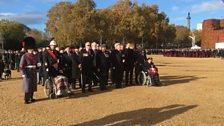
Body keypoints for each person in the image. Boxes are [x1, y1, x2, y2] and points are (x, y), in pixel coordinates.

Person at [19, 37, 37, 104]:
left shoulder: (34, 56)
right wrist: (23, 73)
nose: (32, 50)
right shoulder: (24, 56)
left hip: (33, 72)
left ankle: (31, 98)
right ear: (28, 49)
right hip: (27, 72)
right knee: (27, 86)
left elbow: (36, 63)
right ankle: (26, 99)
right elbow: (21, 66)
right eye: (31, 49)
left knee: (32, 86)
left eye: (32, 49)